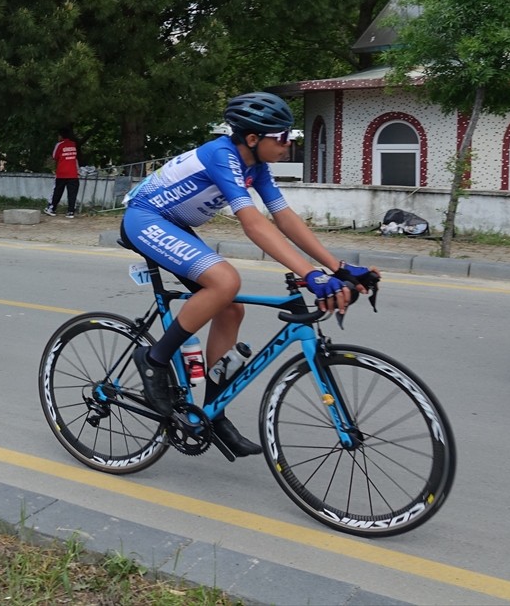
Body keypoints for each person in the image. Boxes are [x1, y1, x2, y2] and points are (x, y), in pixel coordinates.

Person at [121, 92, 378, 457]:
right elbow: (253, 224)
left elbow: (284, 217)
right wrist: (309, 274)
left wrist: (335, 267)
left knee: (230, 308)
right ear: (254, 139)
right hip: (146, 219)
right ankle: (154, 361)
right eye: (282, 137)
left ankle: (212, 411)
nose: (289, 144)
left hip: (175, 224)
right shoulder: (221, 154)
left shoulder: (256, 166)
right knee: (226, 282)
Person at [43, 127, 79, 218]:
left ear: (61, 136)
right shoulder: (73, 144)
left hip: (62, 173)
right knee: (72, 193)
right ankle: (71, 211)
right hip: (73, 173)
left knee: (57, 191)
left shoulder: (59, 145)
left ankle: (52, 209)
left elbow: (54, 156)